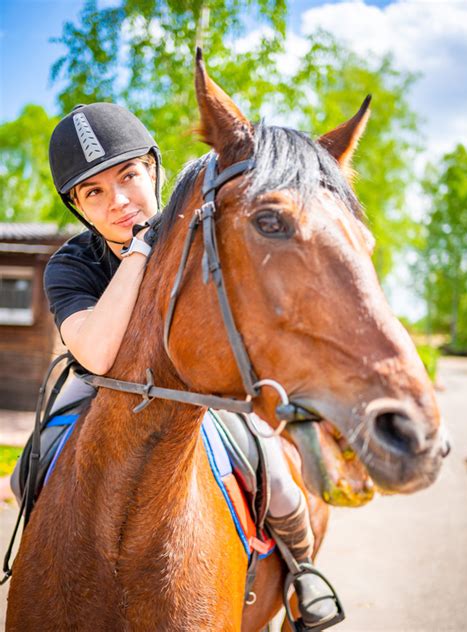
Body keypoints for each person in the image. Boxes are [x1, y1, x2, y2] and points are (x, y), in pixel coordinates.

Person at [17, 102, 340, 629]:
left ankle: (304, 575)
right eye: (93, 192)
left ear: (153, 168)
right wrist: (143, 251)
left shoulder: (204, 233)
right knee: (26, 468)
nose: (118, 201)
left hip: (195, 390)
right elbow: (95, 353)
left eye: (128, 176)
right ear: (77, 205)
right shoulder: (71, 264)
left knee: (277, 474)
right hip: (97, 389)